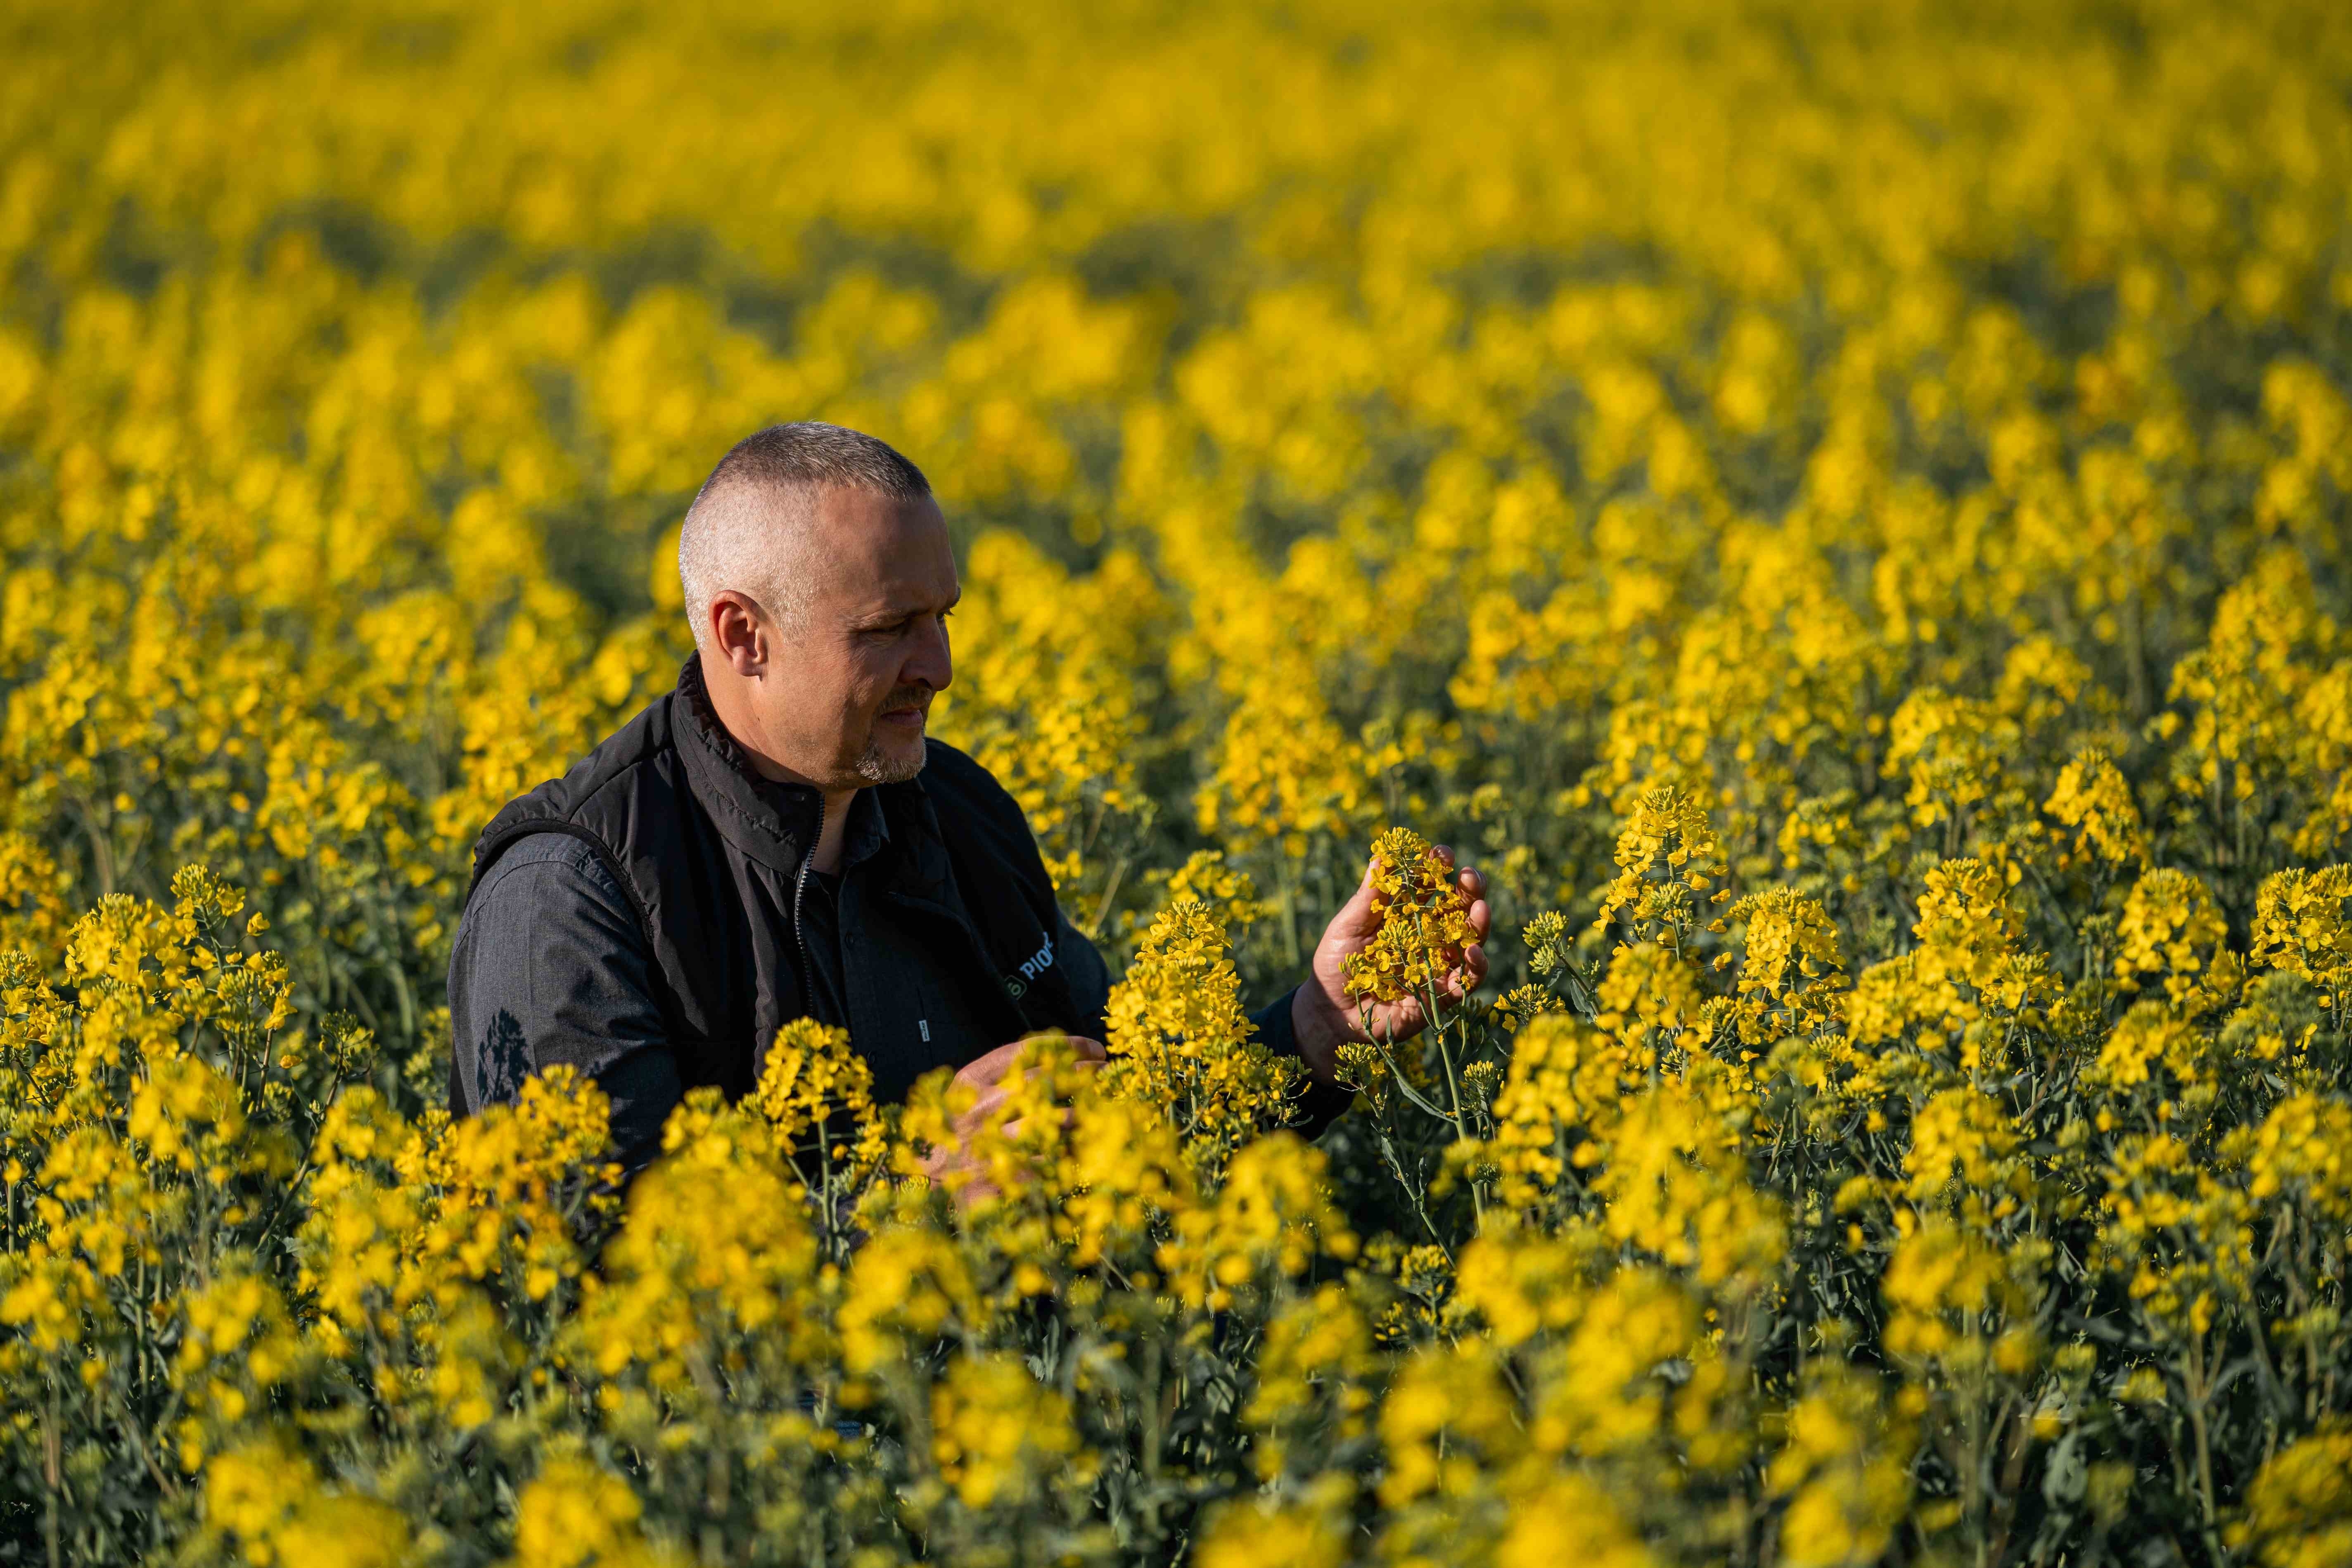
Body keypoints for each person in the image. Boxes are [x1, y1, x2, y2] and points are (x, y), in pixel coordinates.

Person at [446, 422, 1488, 1176]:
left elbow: (1128, 1122)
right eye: (889, 628)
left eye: (943, 616)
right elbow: (593, 1280)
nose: (938, 668)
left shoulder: (956, 806)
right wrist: (912, 1202)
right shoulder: (572, 898)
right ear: (740, 635)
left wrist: (1318, 1030)